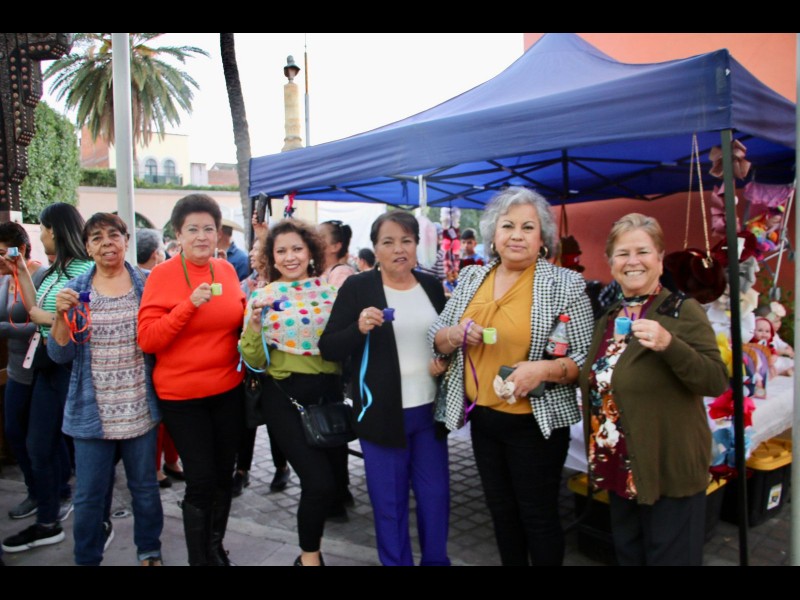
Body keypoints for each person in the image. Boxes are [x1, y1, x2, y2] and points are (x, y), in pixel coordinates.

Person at [429, 186, 593, 566]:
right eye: (508, 226)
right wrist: (455, 335)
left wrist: (544, 369)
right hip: (484, 420)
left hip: (535, 425)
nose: (516, 235)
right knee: (502, 514)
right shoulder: (472, 278)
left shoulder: (565, 284)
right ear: (494, 235)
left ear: (542, 238)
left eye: (527, 227)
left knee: (538, 518)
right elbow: (436, 335)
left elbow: (585, 359)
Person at [579, 213, 728, 566]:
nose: (632, 261)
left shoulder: (681, 310)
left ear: (660, 259)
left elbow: (715, 380)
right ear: (611, 262)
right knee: (629, 556)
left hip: (667, 466)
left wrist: (669, 345)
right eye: (622, 253)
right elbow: (604, 378)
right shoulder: (609, 316)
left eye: (642, 251)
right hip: (620, 465)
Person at [320, 211, 450, 566]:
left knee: (436, 497)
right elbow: (328, 347)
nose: (398, 249)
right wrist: (358, 328)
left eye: (406, 240)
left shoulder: (432, 286)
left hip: (429, 412)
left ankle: (436, 561)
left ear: (417, 245)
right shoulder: (358, 288)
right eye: (388, 242)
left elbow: (444, 339)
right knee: (390, 504)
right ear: (375, 248)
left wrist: (444, 360)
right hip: (380, 414)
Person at [46, 213, 164, 566]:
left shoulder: (148, 285)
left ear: (126, 240)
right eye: (96, 238)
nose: (106, 243)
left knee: (144, 489)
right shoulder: (76, 290)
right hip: (91, 411)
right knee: (88, 496)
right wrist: (59, 316)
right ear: (87, 247)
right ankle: (87, 557)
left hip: (139, 407)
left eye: (113, 235)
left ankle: (149, 551)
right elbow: (59, 354)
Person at [138, 193, 246, 566]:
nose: (202, 236)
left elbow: (236, 320)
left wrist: (254, 315)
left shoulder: (227, 271)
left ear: (219, 233)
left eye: (209, 229)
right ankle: (199, 559)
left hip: (228, 391)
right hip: (182, 397)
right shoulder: (162, 275)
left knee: (224, 475)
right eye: (193, 229)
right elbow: (148, 339)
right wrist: (188, 306)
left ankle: (215, 549)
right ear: (178, 234)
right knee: (200, 480)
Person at [239, 218, 343, 566]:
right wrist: (255, 326)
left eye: (297, 248)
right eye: (281, 251)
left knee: (330, 485)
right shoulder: (263, 297)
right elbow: (254, 361)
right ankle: (309, 559)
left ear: (311, 251)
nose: (290, 257)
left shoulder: (330, 293)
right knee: (319, 482)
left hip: (327, 398)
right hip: (284, 399)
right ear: (271, 257)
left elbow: (343, 347)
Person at [2, 203, 93, 554]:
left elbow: (69, 320)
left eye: (42, 229)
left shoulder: (85, 270)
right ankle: (48, 519)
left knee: (74, 447)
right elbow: (35, 309)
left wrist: (46, 316)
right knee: (38, 445)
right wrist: (20, 271)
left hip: (70, 368)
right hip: (47, 365)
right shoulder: (55, 271)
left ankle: (78, 518)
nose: (40, 236)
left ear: (55, 230)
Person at [232, 232, 291, 497]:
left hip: (276, 366)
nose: (252, 254)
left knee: (277, 423)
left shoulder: (283, 286)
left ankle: (281, 466)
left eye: (258, 249)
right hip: (249, 362)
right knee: (246, 420)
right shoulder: (244, 285)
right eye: (253, 249)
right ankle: (241, 470)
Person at [0, 223, 47, 521]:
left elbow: (42, 325)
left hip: (38, 369)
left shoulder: (40, 276)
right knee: (15, 431)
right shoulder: (5, 279)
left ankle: (48, 493)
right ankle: (38, 490)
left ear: (21, 250)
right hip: (16, 368)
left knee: (38, 438)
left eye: (1, 252)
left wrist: (5, 329)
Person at [135, 228, 184, 488]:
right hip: (158, 358)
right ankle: (161, 466)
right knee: (160, 421)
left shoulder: (137, 278)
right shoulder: (153, 278)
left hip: (163, 359)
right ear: (156, 254)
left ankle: (167, 464)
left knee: (165, 421)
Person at [318, 219, 356, 288]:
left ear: (335, 247)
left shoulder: (341, 273)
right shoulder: (321, 271)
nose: (313, 240)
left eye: (319, 237)